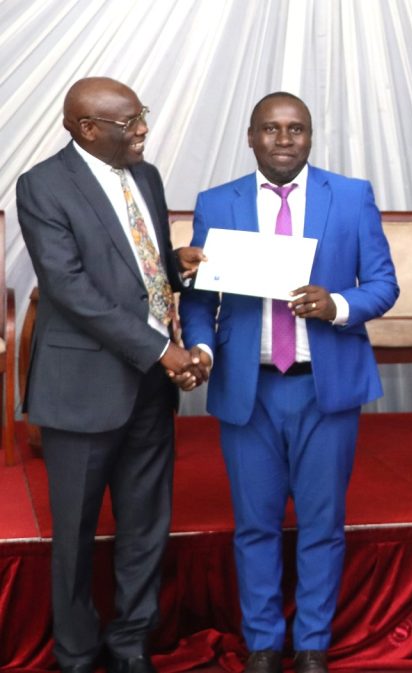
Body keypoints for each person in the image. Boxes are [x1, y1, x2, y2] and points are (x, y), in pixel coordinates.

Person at [177, 92, 398, 673]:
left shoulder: (350, 197)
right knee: (255, 524)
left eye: (296, 129)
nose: (283, 139)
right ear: (250, 137)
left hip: (324, 387)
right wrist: (199, 346)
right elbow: (198, 298)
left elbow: (383, 283)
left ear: (310, 136)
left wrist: (339, 305)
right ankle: (263, 646)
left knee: (323, 525)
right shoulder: (216, 202)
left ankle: (312, 648)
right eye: (271, 129)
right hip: (247, 390)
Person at [16, 77, 204, 673]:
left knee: (146, 526)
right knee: (72, 537)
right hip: (83, 389)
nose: (144, 128)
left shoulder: (144, 175)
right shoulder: (43, 185)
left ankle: (130, 649)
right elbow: (71, 288)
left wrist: (179, 267)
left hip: (150, 387)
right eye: (131, 121)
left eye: (141, 114)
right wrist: (159, 351)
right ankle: (74, 655)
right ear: (87, 128)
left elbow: (138, 263)